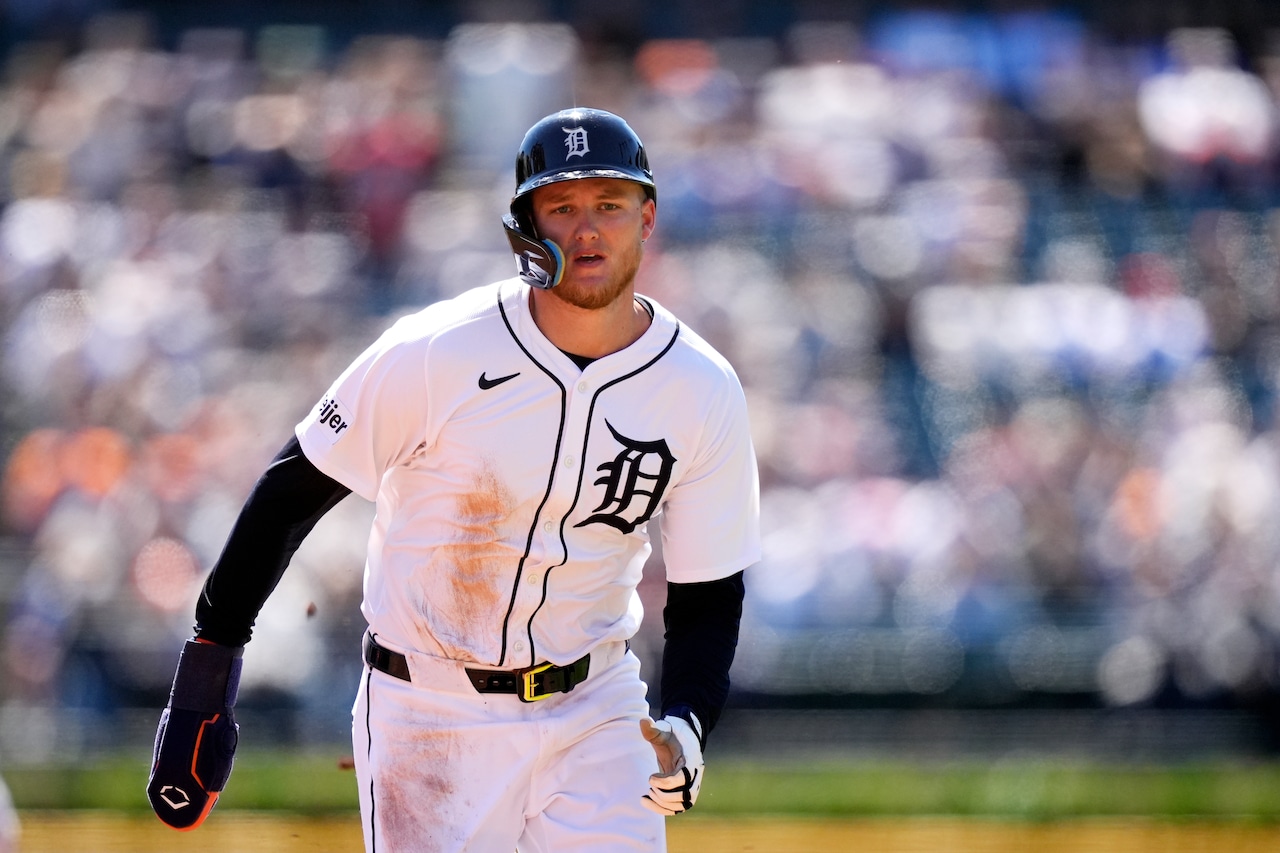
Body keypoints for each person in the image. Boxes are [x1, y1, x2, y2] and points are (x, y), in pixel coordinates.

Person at [146, 106, 761, 851]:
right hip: (431, 709)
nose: (588, 228)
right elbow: (291, 491)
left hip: (599, 706)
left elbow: (709, 587)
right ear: (524, 228)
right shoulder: (437, 350)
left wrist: (689, 718)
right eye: (562, 207)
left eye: (610, 203)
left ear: (648, 215)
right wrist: (209, 664)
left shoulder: (700, 385)